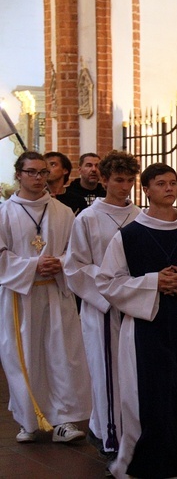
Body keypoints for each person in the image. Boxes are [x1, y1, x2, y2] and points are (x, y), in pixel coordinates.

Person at [96, 163, 177, 478]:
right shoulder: (129, 235)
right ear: (146, 190)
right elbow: (108, 283)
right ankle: (136, 468)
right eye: (161, 183)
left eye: (173, 182)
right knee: (147, 401)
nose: (169, 188)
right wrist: (153, 283)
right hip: (143, 330)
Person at [0, 151, 91, 444]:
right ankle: (30, 419)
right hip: (20, 296)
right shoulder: (4, 213)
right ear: (19, 175)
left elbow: (77, 253)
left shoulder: (63, 212)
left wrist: (61, 263)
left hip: (55, 292)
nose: (39, 178)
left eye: (42, 172)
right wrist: (32, 265)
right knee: (23, 356)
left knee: (62, 356)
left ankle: (64, 420)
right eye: (32, 172)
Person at [63, 151, 141, 465]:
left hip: (137, 305)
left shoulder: (141, 215)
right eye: (118, 180)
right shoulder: (88, 218)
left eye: (130, 181)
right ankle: (110, 437)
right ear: (104, 180)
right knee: (107, 372)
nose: (124, 187)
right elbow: (75, 267)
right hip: (104, 308)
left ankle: (134, 436)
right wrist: (113, 287)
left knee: (134, 373)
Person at [43, 151, 88, 216]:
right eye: (45, 165)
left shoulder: (77, 200)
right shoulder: (38, 197)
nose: (47, 169)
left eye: (53, 164)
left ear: (65, 170)